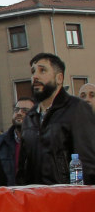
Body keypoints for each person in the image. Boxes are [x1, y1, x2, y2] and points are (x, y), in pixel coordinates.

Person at [20, 53, 95, 184]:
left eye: (42, 70)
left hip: (67, 198)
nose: (35, 76)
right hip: (36, 199)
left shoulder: (76, 109)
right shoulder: (30, 117)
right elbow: (23, 167)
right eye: (33, 72)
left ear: (59, 78)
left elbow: (87, 164)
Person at [0, 97, 34, 186]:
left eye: (25, 111)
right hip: (8, 196)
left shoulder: (42, 142)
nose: (19, 113)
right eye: (16, 110)